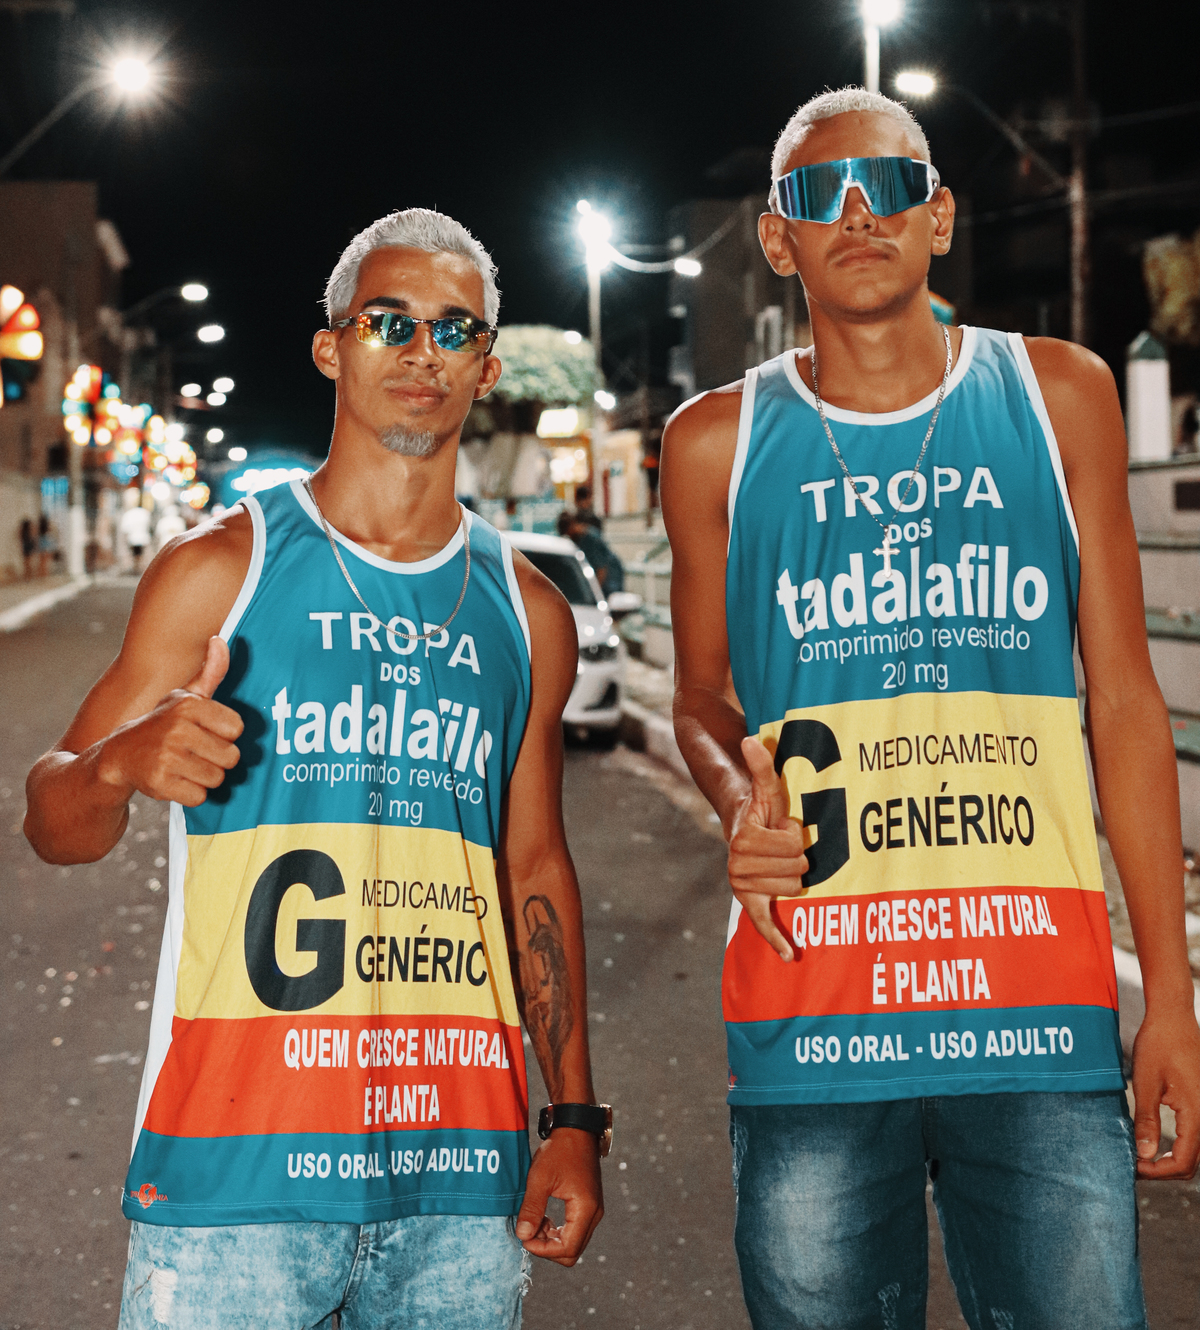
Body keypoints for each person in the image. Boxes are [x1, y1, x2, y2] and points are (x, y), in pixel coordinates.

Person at [661, 86, 1200, 1330]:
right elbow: (698, 694)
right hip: (816, 1023)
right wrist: (738, 799)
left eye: (892, 186)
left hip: (1040, 1018)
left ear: (940, 217)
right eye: (820, 194)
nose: (861, 213)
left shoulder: (1059, 395)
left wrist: (1169, 997)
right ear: (779, 239)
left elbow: (1125, 700)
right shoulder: (714, 443)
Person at [25, 208, 609, 1330]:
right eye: (388, 322)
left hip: (459, 1180)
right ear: (331, 348)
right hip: (235, 1185)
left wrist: (575, 1119)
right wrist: (120, 765)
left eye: (454, 329)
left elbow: (534, 868)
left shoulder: (529, 611)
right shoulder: (220, 572)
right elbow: (53, 822)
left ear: (487, 368)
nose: (422, 351)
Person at [119, 492, 152, 573]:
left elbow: (125, 529)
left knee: (134, 554)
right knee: (140, 554)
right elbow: (149, 526)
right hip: (143, 538)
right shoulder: (145, 513)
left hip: (132, 538)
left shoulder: (128, 514)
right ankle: (138, 567)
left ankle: (136, 567)